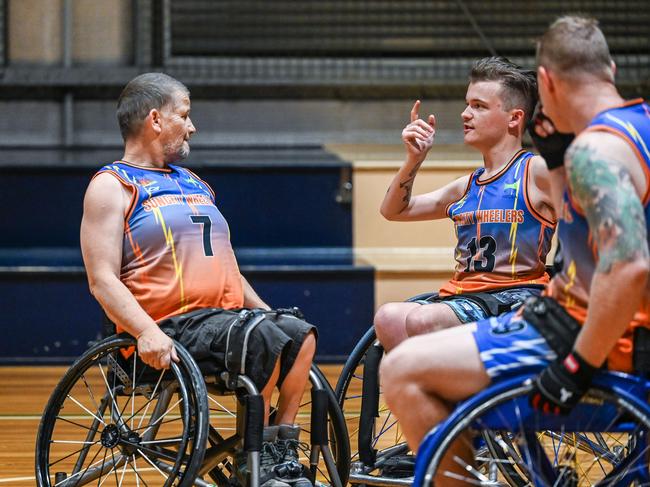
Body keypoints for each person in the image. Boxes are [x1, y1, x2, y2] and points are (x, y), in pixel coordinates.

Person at [381, 14, 650, 481]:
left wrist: (577, 363)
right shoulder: (633, 130)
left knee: (402, 370)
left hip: (576, 326)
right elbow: (585, 232)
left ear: (545, 83)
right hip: (564, 313)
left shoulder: (594, 151)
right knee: (394, 319)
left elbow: (629, 267)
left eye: (477, 106)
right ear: (609, 69)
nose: (466, 114)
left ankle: (459, 453)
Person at [80, 72, 316, 487]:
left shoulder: (194, 183)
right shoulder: (112, 186)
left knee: (298, 333)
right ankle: (254, 458)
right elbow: (101, 280)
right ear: (155, 120)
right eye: (184, 115)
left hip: (224, 323)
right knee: (264, 338)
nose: (192, 127)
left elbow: (227, 265)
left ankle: (274, 448)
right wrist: (146, 332)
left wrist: (266, 312)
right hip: (170, 330)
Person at [375, 56, 557, 352]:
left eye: (478, 106)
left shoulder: (535, 171)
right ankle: (425, 395)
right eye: (467, 104)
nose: (464, 114)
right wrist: (414, 160)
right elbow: (393, 211)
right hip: (464, 298)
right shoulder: (467, 186)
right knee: (388, 318)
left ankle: (445, 391)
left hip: (515, 298)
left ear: (514, 118)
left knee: (425, 320)